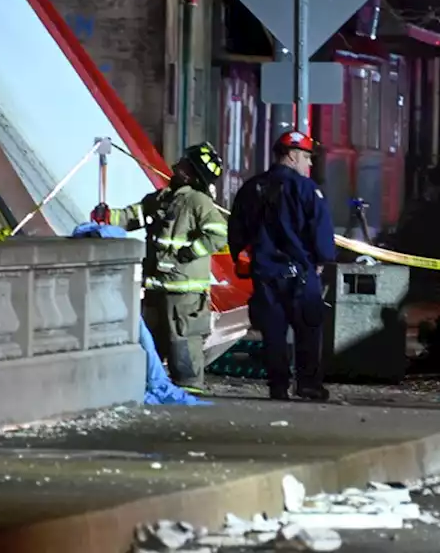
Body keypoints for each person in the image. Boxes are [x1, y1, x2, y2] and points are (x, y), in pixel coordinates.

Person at [92, 142, 228, 395]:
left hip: (184, 288)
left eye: (185, 164)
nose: (178, 166)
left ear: (193, 173)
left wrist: (189, 252)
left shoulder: (198, 202)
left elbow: (219, 234)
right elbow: (135, 216)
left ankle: (189, 387)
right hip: (156, 284)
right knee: (151, 337)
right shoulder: (164, 198)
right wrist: (108, 217)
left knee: (183, 338)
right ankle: (149, 383)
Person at [227, 130, 336, 401]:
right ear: (293, 155)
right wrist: (322, 260)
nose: (309, 164)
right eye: (307, 157)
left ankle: (278, 386)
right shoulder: (307, 190)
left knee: (273, 331)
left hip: (265, 273)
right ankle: (308, 384)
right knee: (308, 329)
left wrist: (243, 257)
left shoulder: (251, 188)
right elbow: (320, 230)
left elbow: (236, 231)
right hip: (300, 274)